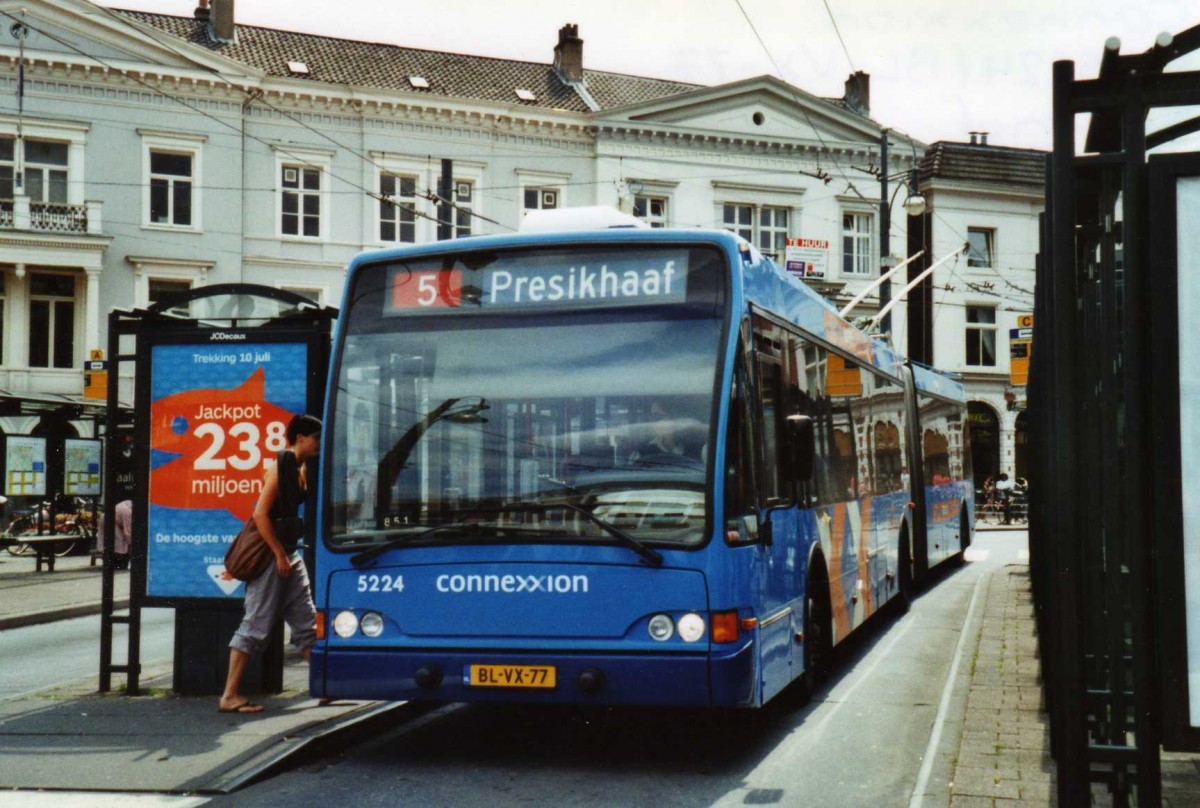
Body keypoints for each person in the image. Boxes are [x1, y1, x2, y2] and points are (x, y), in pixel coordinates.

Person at [219, 414, 321, 715]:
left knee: (306, 621)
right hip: (270, 557)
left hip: (288, 554)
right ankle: (229, 695)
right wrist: (278, 554)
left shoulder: (302, 467)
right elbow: (261, 515)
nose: (319, 443)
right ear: (300, 437)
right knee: (256, 624)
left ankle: (324, 684)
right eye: (316, 437)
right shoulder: (279, 467)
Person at [97, 499, 132, 570]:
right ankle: (118, 563)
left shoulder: (126, 504)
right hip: (112, 521)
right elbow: (127, 532)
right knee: (120, 543)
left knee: (108, 542)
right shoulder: (127, 511)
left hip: (105, 518)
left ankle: (110, 561)